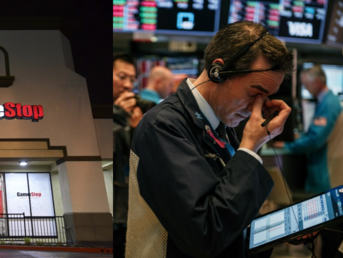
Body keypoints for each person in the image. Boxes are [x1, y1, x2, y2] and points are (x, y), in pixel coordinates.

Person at [125, 21, 294, 258]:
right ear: (218, 73)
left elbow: (230, 212)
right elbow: (205, 234)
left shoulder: (222, 124)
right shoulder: (163, 125)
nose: (257, 108)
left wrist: (278, 229)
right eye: (254, 93)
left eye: (265, 97)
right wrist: (249, 147)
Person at [274, 66, 342, 194]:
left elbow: (315, 140)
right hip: (325, 165)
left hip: (325, 168)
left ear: (316, 82)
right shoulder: (327, 100)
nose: (305, 88)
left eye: (306, 84)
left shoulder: (328, 104)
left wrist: (287, 145)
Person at [113, 53, 155, 258]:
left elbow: (140, 160)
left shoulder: (135, 114)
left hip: (131, 209)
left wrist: (138, 130)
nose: (128, 85)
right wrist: (118, 115)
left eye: (132, 79)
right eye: (122, 77)